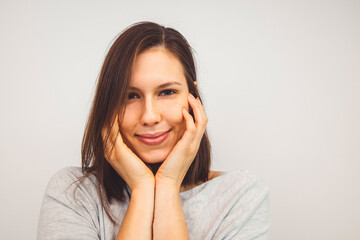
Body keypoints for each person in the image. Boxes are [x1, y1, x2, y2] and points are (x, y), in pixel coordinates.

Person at [37, 21, 270, 240]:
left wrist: (168, 186)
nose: (149, 116)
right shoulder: (73, 194)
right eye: (131, 96)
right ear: (108, 105)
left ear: (194, 98)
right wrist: (142, 188)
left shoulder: (240, 196)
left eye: (167, 92)